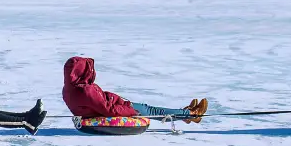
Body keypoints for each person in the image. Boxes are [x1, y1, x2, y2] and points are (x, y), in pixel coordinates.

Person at [62, 56, 208, 123]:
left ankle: (184, 114)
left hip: (115, 104)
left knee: (150, 109)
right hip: (118, 110)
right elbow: (109, 110)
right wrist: (130, 111)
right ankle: (191, 114)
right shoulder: (85, 91)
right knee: (151, 111)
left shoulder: (70, 88)